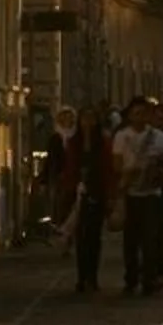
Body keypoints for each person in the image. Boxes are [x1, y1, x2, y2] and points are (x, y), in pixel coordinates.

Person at [113, 94, 163, 294]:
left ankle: (149, 277)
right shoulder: (122, 136)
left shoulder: (159, 137)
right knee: (131, 239)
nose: (139, 117)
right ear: (130, 115)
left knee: (150, 238)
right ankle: (131, 277)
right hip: (130, 192)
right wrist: (131, 171)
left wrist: (154, 170)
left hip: (151, 194)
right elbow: (117, 164)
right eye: (135, 113)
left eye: (143, 113)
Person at [58, 106, 116, 293]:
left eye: (91, 119)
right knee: (81, 236)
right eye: (85, 119)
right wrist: (69, 189)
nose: (88, 123)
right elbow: (69, 167)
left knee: (94, 236)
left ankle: (92, 276)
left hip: (97, 191)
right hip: (78, 193)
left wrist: (109, 195)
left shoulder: (104, 143)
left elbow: (108, 170)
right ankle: (82, 276)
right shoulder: (74, 142)